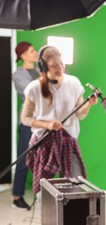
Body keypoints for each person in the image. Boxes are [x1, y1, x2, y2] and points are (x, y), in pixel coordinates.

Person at [20, 46, 98, 196]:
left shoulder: (73, 83)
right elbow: (25, 118)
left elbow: (80, 115)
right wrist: (48, 124)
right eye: (54, 65)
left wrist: (88, 104)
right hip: (44, 142)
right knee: (42, 192)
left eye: (61, 63)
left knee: (75, 184)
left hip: (68, 141)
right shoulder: (34, 88)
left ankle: (71, 218)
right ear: (44, 67)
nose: (60, 68)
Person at [11, 41, 40, 210]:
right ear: (23, 55)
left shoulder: (41, 70)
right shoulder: (18, 74)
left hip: (45, 121)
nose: (35, 52)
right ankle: (17, 197)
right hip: (28, 122)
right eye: (31, 51)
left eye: (34, 50)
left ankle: (45, 195)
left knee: (45, 159)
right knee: (24, 159)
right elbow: (31, 91)